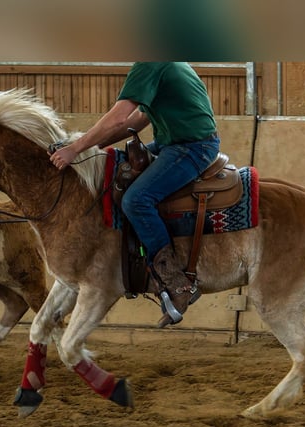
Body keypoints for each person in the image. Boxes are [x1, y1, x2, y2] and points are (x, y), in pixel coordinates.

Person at [49, 61, 221, 327]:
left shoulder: (149, 63)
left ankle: (177, 284)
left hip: (190, 148)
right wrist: (89, 148)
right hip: (172, 143)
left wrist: (76, 149)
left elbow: (118, 117)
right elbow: (139, 118)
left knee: (137, 200)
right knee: (116, 172)